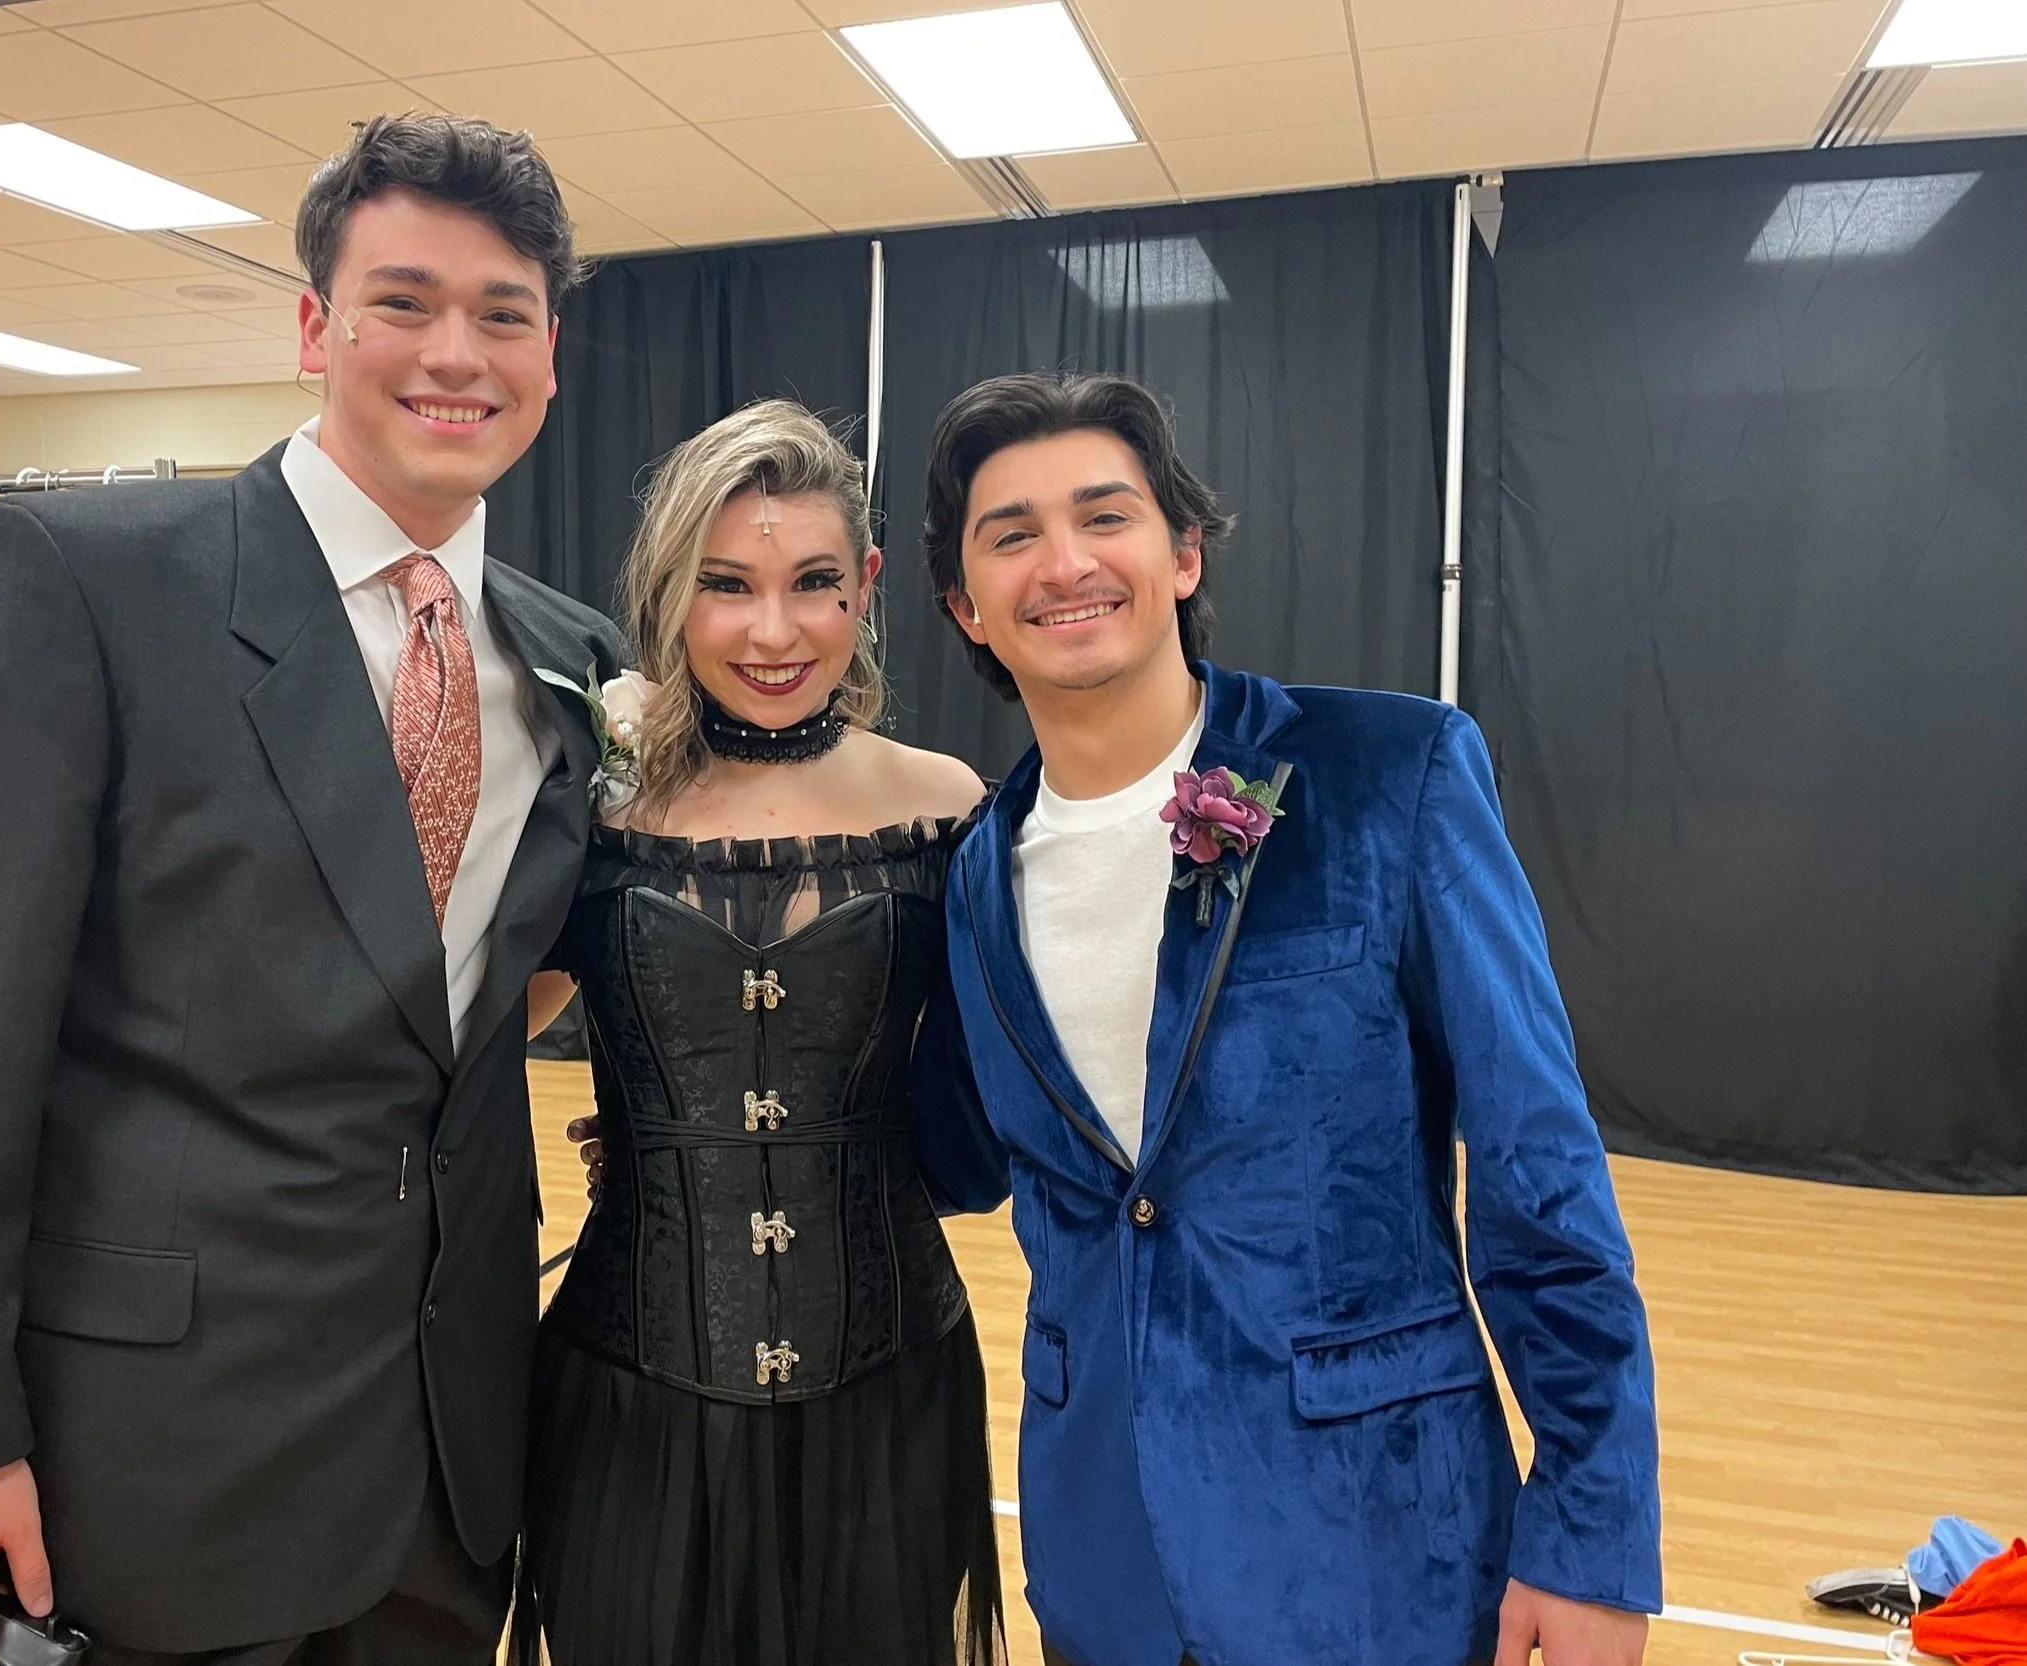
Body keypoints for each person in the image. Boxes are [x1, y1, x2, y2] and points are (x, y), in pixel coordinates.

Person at [0, 115, 625, 1664]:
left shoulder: (568, 658)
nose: (455, 351)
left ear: (548, 352)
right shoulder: (72, 577)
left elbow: (465, 996)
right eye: (402, 300)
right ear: (315, 323)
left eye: (501, 313)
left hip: (453, 1454)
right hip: (149, 1447)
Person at [908, 373, 1661, 1666]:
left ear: (1181, 549)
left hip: (1377, 1545)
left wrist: (1588, 1530)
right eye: (1010, 532)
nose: (1065, 561)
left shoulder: (1391, 772)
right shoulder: (970, 870)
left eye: (1105, 514)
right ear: (963, 604)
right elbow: (958, 1162)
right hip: (1100, 1560)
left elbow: (1536, 1165)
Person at [514, 400, 1004, 1666]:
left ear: (869, 587)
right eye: (727, 585)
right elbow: (455, 1044)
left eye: (814, 584)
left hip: (888, 1391)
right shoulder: (597, 810)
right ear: (673, 592)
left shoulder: (946, 805)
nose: (774, 631)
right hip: (632, 1396)